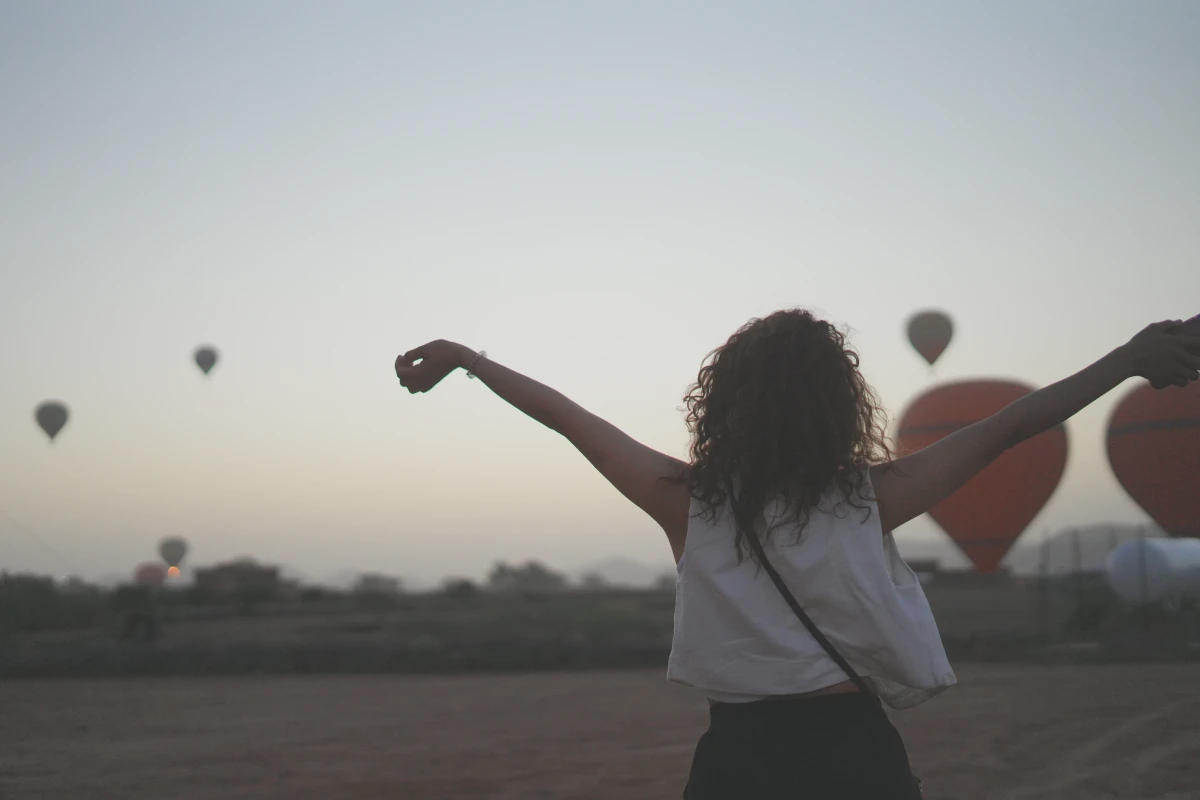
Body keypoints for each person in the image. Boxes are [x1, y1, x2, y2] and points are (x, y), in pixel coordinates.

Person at [395, 312, 1200, 799]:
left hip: (738, 764)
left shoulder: (686, 500)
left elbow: (572, 420)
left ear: (723, 404)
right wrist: (1128, 360)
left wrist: (470, 360)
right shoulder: (873, 497)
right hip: (854, 758)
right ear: (839, 404)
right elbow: (1016, 424)